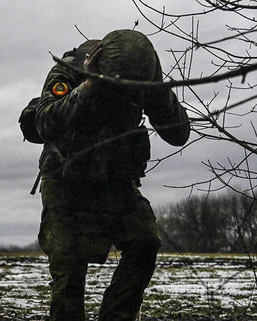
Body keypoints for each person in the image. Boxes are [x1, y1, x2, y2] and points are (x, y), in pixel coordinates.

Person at [33, 29, 190, 321]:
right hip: (66, 181)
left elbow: (179, 133)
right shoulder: (68, 70)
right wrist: (90, 86)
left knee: (145, 241)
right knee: (68, 271)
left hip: (115, 180)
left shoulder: (143, 79)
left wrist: (158, 89)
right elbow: (44, 123)